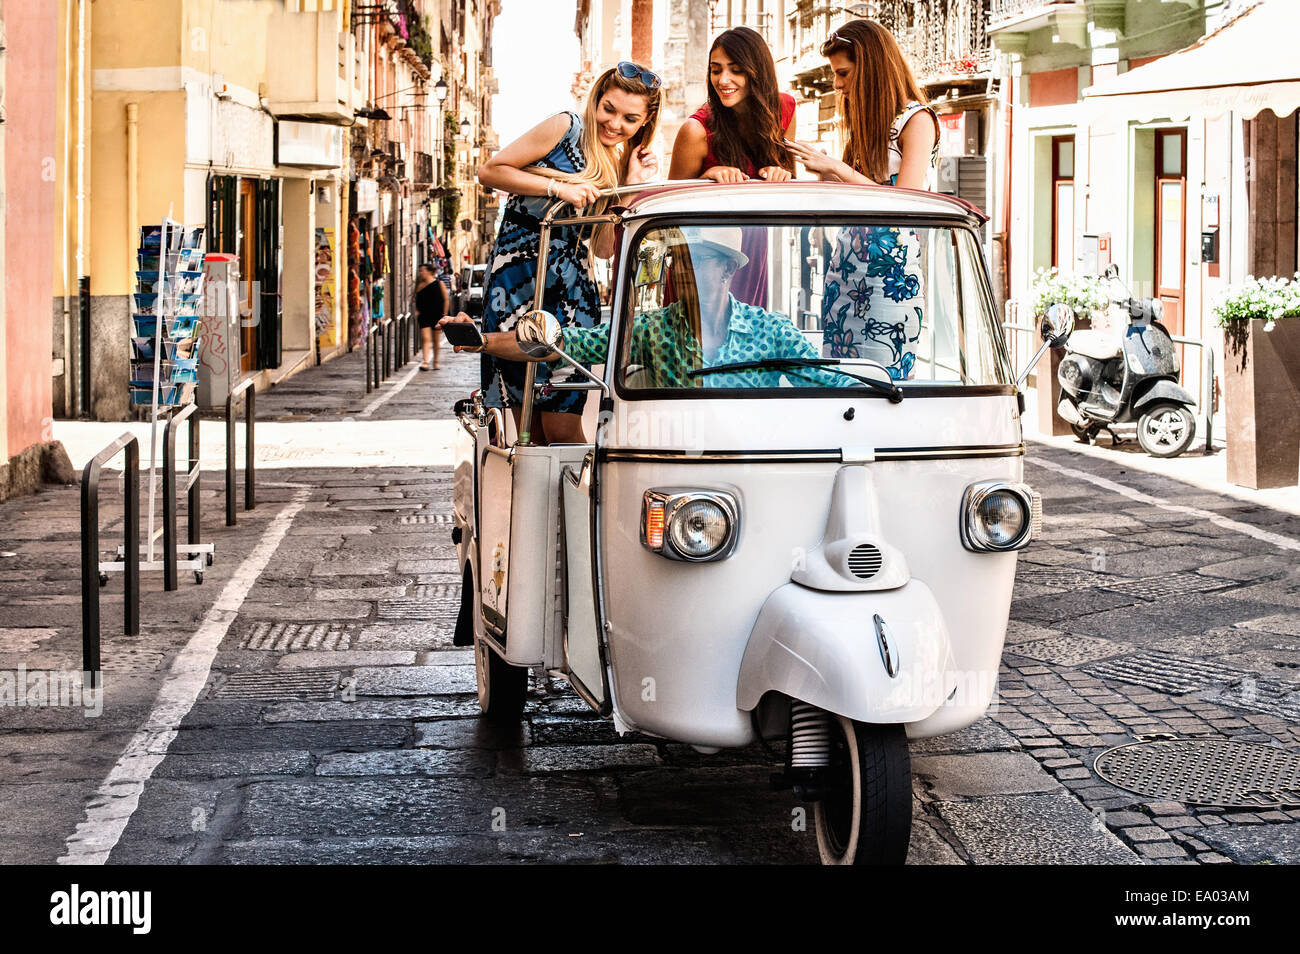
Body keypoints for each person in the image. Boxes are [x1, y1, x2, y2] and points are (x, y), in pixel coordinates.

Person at [469, 62, 661, 444]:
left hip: (572, 299)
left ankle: (586, 502)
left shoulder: (622, 163)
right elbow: (490, 171)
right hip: (515, 290)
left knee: (563, 428)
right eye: (609, 109)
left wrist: (630, 188)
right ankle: (542, 506)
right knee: (528, 434)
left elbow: (604, 250)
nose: (615, 124)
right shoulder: (565, 128)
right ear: (596, 100)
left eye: (629, 118)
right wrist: (558, 188)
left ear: (645, 122)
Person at [439, 227, 854, 390]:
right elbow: (562, 342)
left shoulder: (770, 331)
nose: (685, 269)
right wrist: (482, 340)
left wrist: (896, 395)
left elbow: (832, 384)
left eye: (700, 258)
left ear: (728, 267)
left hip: (753, 470)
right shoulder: (651, 330)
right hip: (672, 470)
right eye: (681, 259)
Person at [785, 19, 939, 378]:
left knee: (882, 385)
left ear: (870, 67)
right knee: (838, 383)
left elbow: (906, 203)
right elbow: (855, 195)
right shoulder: (868, 123)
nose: (837, 84)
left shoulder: (917, 121)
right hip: (844, 274)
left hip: (890, 281)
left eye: (843, 73)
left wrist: (837, 168)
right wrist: (825, 173)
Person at [669, 26, 795, 307]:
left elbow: (787, 182)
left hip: (753, 245)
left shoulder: (784, 109)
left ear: (756, 71)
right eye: (716, 70)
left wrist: (780, 172)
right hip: (702, 260)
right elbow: (669, 211)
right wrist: (706, 177)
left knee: (749, 338)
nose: (723, 79)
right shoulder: (696, 130)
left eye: (735, 69)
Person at [414, 262, 448, 370]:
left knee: (436, 340)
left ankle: (436, 361)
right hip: (424, 315)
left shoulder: (439, 284)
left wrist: (445, 314)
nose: (421, 273)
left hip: (437, 315)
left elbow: (446, 299)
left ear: (429, 271)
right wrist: (417, 310)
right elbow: (416, 299)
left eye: (422, 270)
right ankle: (425, 362)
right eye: (420, 271)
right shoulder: (420, 285)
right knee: (425, 338)